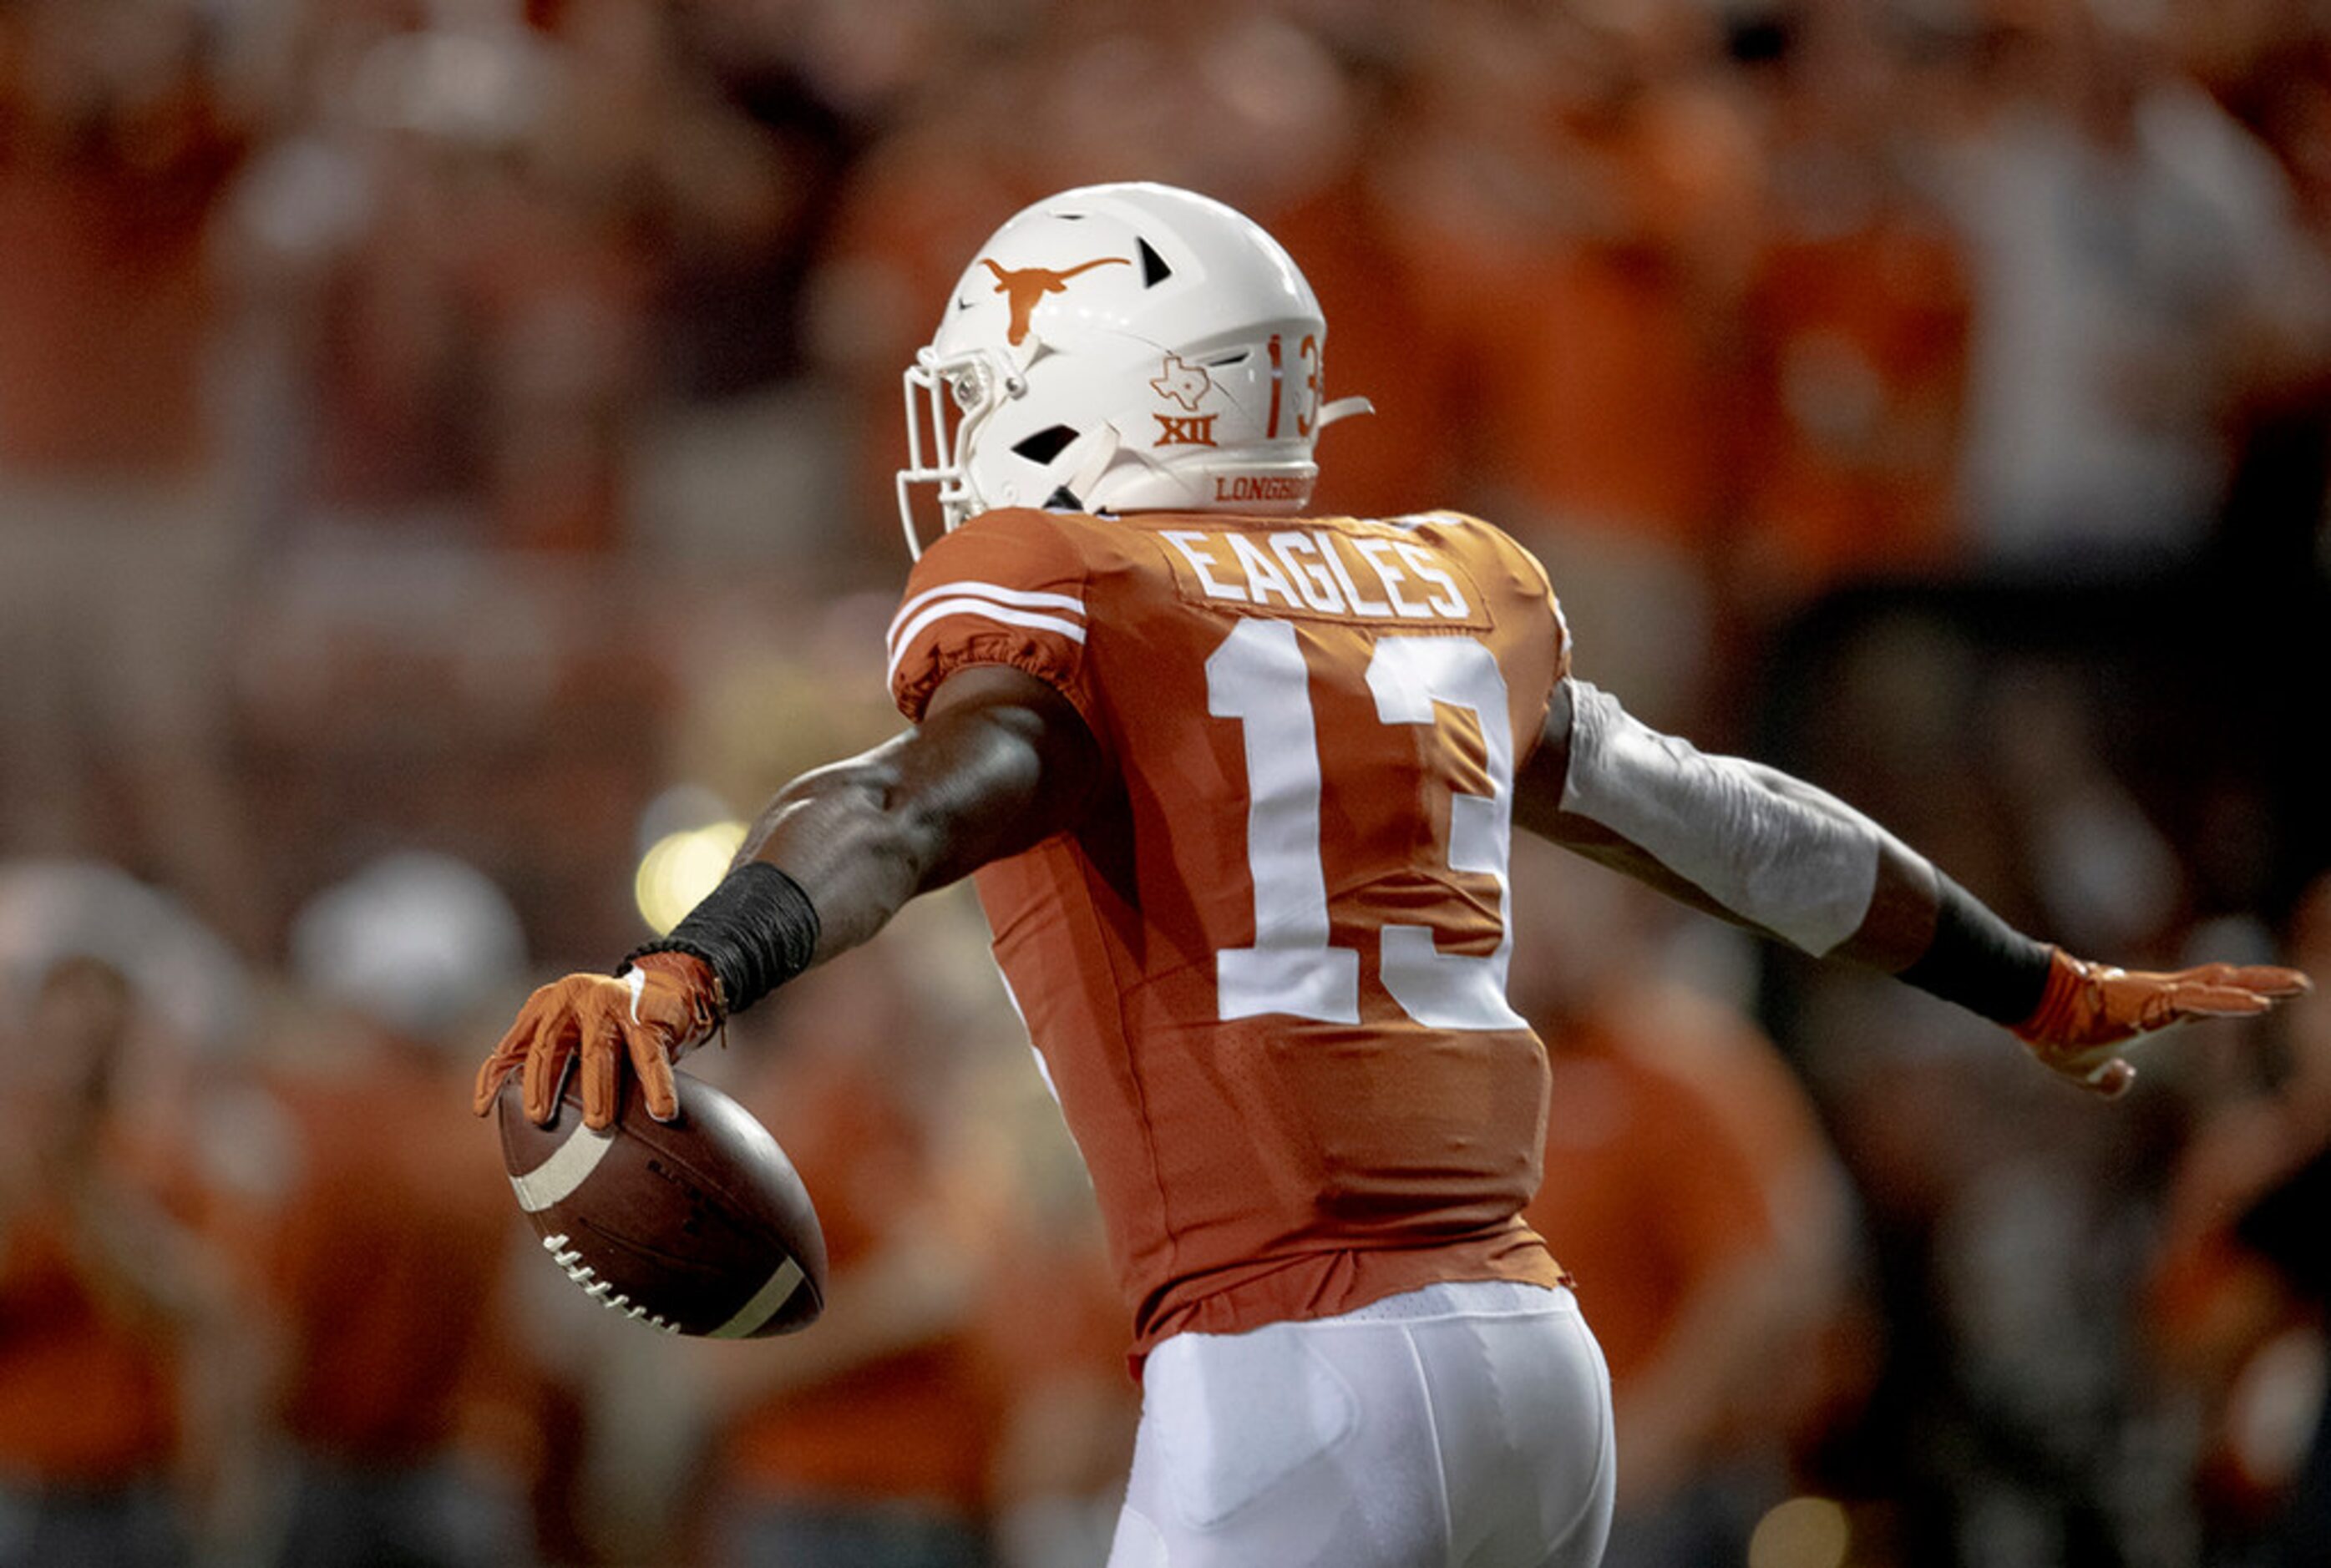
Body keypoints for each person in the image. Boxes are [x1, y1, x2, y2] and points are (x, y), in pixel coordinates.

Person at [473, 181, 2310, 1568]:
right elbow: (1745, 825)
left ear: (1088, 404)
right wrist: (2033, 985)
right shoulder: (1441, 587)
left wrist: (692, 965)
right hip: (1533, 1360)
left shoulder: (1078, 598)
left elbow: (917, 795)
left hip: (1289, 1366)